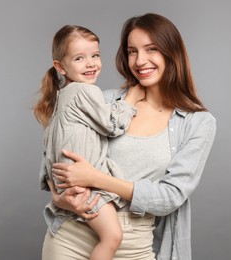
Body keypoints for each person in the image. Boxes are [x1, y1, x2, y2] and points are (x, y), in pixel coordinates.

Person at [46, 13, 217, 260]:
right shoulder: (105, 101)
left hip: (133, 244)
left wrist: (97, 178)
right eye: (132, 51)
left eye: (151, 49)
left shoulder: (197, 123)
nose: (140, 61)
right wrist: (58, 196)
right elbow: (56, 147)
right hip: (70, 236)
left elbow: (170, 196)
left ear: (172, 53)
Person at [34, 25, 144, 260]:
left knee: (107, 236)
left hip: (68, 188)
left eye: (95, 55)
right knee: (112, 237)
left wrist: (56, 190)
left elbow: (46, 155)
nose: (91, 63)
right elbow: (112, 125)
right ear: (60, 67)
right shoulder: (85, 91)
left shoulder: (59, 100)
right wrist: (131, 99)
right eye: (79, 58)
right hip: (88, 189)